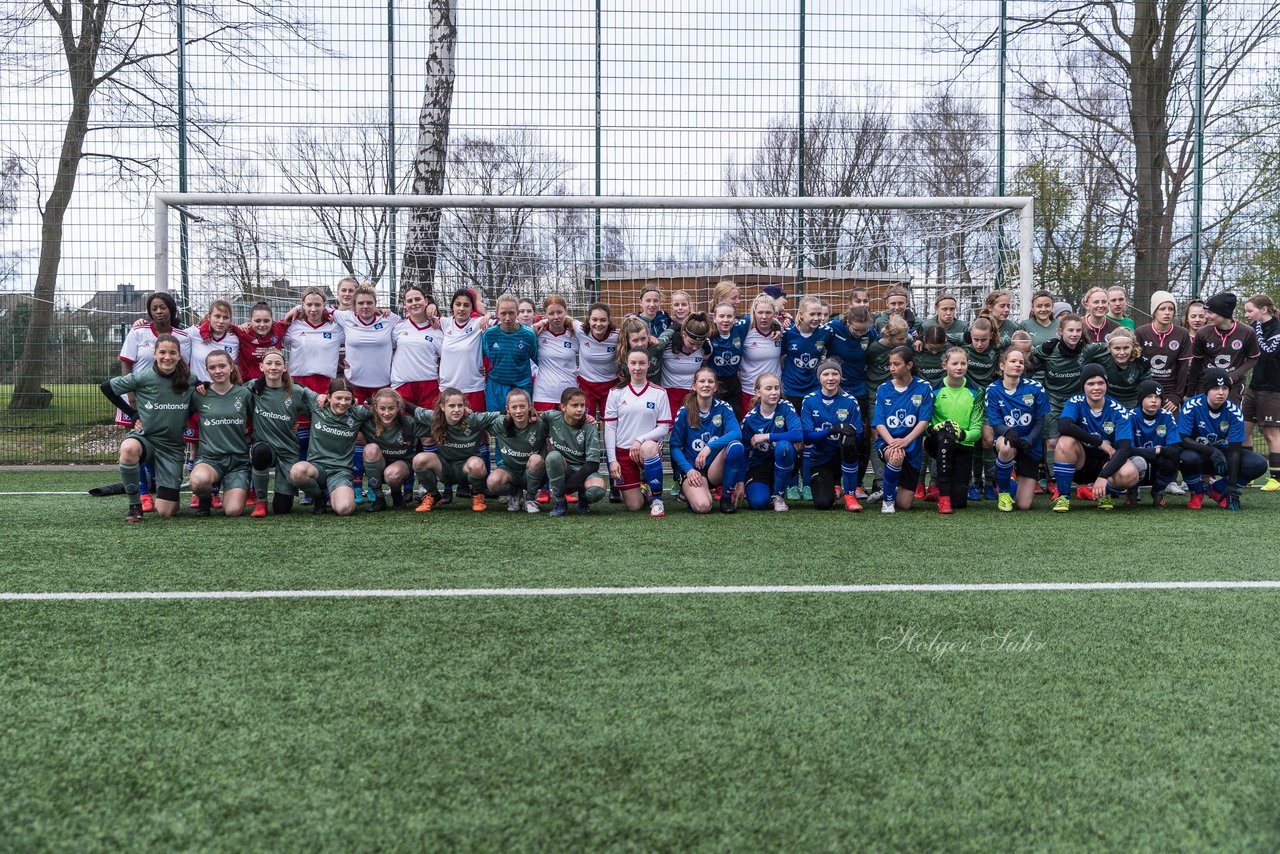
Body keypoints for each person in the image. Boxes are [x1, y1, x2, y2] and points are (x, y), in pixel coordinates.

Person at [100, 333, 194, 522]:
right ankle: (134, 506)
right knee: (128, 448)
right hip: (146, 439)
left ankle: (159, 486)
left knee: (167, 511)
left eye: (172, 353)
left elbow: (202, 397)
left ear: (179, 355)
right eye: (163, 352)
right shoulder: (143, 377)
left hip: (172, 448)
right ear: (155, 354)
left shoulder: (190, 379)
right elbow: (107, 387)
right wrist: (132, 413)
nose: (167, 357)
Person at [118, 292, 192, 511]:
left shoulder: (182, 335)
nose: (159, 311)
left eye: (163, 307)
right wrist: (132, 400)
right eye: (154, 308)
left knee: (159, 443)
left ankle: (159, 486)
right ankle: (142, 494)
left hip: (166, 401)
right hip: (137, 399)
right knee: (134, 445)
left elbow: (185, 367)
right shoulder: (138, 331)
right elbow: (126, 363)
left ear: (171, 309)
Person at [1177, 368, 1268, 511]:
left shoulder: (1234, 411)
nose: (1221, 392)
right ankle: (1197, 492)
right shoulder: (1191, 405)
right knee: (1185, 457)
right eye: (1215, 388)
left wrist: (1231, 485)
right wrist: (1211, 450)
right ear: (1206, 390)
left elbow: (1235, 450)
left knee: (1258, 463)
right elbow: (1183, 439)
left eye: (1224, 388)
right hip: (1198, 453)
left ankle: (1218, 489)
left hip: (1222, 456)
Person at [409, 388, 506, 513]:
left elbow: (499, 414)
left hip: (466, 468)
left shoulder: (474, 419)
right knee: (419, 459)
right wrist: (395, 402)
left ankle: (477, 495)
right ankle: (433, 495)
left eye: (460, 405)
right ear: (443, 407)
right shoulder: (435, 418)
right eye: (452, 406)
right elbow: (413, 410)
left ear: (465, 406)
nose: (456, 409)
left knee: (477, 464)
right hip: (444, 468)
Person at [1050, 364, 1131, 512]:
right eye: (1090, 384)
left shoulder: (1118, 410)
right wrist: (1099, 443)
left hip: (1107, 464)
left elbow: (1125, 449)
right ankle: (1063, 496)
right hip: (1081, 462)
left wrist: (1103, 476)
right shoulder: (1076, 401)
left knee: (1129, 473)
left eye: (1101, 383)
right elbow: (1064, 426)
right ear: (1083, 386)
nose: (1096, 388)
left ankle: (1105, 493)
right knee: (1065, 441)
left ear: (1106, 385)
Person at [183, 299, 239, 507]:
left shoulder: (234, 337)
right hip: (200, 395)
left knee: (221, 443)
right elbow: (172, 338)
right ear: (209, 316)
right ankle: (199, 492)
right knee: (196, 447)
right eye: (217, 316)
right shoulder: (193, 333)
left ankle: (218, 489)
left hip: (225, 396)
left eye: (226, 317)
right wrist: (142, 323)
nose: (221, 321)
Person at [604, 349, 673, 516]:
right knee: (634, 506)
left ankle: (657, 500)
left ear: (649, 364)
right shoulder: (616, 392)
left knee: (649, 447)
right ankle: (644, 489)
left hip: (645, 450)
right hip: (623, 452)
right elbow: (609, 428)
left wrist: (640, 440)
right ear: (627, 365)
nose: (637, 367)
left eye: (642, 363)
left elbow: (664, 428)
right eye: (633, 363)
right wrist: (612, 461)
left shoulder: (659, 393)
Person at [288, 377, 370, 516]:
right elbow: (294, 383)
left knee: (345, 509)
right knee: (297, 471)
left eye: (347, 399)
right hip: (316, 468)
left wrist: (369, 402)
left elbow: (382, 406)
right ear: (329, 397)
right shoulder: (317, 404)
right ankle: (319, 496)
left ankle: (336, 494)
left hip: (340, 471)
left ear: (353, 400)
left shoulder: (357, 413)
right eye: (338, 398)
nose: (343, 403)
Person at [187, 351, 254, 517]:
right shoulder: (199, 395)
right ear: (207, 371)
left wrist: (249, 437)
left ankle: (231, 490)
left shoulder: (244, 394)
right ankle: (205, 501)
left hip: (238, 461)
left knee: (233, 511)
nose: (218, 371)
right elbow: (180, 416)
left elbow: (258, 421)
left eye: (222, 366)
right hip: (210, 459)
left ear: (231, 367)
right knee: (198, 480)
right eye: (212, 367)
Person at [671, 366, 745, 513]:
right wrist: (689, 470)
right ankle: (690, 491)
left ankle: (725, 497)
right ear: (694, 386)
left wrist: (709, 447)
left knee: (736, 446)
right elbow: (674, 447)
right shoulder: (685, 411)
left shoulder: (723, 407)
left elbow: (737, 433)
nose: (706, 385)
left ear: (715, 386)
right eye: (702, 381)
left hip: (714, 468)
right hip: (692, 468)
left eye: (710, 382)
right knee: (704, 506)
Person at [246, 349, 310, 518]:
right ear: (261, 366)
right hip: (265, 447)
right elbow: (232, 394)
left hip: (288, 451)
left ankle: (320, 496)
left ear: (285, 367)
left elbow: (318, 407)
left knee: (282, 508)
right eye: (269, 363)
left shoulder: (297, 392)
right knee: (260, 451)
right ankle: (261, 501)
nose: (273, 367)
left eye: (277, 363)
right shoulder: (253, 388)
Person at [984, 348, 1049, 512]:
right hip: (1008, 439)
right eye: (1013, 361)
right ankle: (1004, 492)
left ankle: (1006, 478)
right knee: (1006, 447)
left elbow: (1041, 421)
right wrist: (1007, 431)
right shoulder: (992, 390)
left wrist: (1030, 440)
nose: (1018, 365)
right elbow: (995, 423)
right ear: (1002, 365)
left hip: (1030, 443)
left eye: (1021, 362)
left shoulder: (1035, 388)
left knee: (1023, 505)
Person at [1030, 313, 1087, 498]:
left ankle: (1081, 480)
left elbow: (1110, 350)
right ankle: (1053, 481)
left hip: (1076, 401)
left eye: (1078, 330)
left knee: (1075, 440)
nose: (1075, 334)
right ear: (1060, 331)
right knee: (1052, 441)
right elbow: (1029, 362)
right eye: (1070, 330)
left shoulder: (1088, 350)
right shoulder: (1048, 349)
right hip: (1052, 399)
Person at [872, 346, 934, 514]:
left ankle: (888, 489)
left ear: (909, 365)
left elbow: (924, 420)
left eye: (896, 364)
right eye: (890, 364)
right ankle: (888, 501)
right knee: (896, 455)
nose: (891, 368)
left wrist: (906, 441)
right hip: (888, 442)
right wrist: (892, 443)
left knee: (905, 505)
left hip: (912, 446)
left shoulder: (923, 388)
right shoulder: (883, 389)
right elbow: (879, 423)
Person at [926, 346, 984, 514]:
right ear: (945, 365)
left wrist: (963, 433)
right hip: (936, 441)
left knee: (959, 502)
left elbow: (977, 429)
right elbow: (924, 423)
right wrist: (934, 429)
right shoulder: (932, 389)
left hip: (964, 443)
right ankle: (943, 498)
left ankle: (944, 492)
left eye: (963, 363)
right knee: (946, 435)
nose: (959, 367)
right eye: (954, 363)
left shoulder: (977, 391)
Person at [800, 360, 862, 511]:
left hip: (842, 455)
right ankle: (833, 488)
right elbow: (808, 436)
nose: (830, 378)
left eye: (835, 374)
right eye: (825, 374)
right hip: (821, 457)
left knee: (849, 441)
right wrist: (833, 430)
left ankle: (850, 495)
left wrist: (848, 434)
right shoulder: (809, 401)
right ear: (819, 377)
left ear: (840, 377)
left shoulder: (850, 401)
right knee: (823, 504)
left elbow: (859, 435)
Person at [1113, 379, 1182, 506]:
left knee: (1172, 461)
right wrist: (1157, 450)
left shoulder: (1167, 415)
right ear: (1141, 399)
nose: (1154, 400)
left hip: (1158, 462)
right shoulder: (1130, 416)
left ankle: (1157, 492)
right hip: (1137, 463)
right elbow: (1126, 449)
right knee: (1138, 461)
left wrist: (1159, 451)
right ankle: (1132, 491)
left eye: (1157, 397)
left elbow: (1175, 448)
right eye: (1149, 396)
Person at [741, 371, 802, 511]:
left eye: (776, 388)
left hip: (785, 459)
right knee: (758, 503)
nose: (774, 392)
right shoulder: (750, 419)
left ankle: (778, 495)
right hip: (760, 466)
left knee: (784, 446)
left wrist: (767, 436)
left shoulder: (786, 406)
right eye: (768, 389)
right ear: (758, 392)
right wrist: (739, 482)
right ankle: (768, 489)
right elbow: (744, 452)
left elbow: (798, 434)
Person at [541, 387, 607, 516]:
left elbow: (593, 464)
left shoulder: (589, 424)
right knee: (553, 457)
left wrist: (569, 486)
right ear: (563, 407)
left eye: (582, 405)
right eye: (574, 405)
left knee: (596, 491)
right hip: (563, 468)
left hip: (584, 470)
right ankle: (560, 502)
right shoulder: (551, 417)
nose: (579, 409)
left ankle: (584, 499)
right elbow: (533, 415)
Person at [1186, 292, 1260, 406]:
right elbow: (1196, 364)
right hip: (1206, 385)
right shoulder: (1202, 333)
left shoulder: (1247, 332)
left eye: (1210, 312)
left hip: (1233, 386)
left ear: (1223, 313)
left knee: (1230, 420)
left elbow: (1253, 358)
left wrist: (1233, 376)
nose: (1206, 316)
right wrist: (1190, 393)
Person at [485, 388, 548, 513]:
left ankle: (530, 499)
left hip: (534, 472)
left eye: (522, 406)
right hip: (510, 471)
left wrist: (587, 418)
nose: (518, 411)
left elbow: (563, 420)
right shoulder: (500, 423)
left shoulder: (541, 423)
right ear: (507, 409)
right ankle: (515, 494)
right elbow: (475, 420)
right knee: (492, 482)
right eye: (514, 407)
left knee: (536, 459)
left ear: (529, 407)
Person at [360, 387, 420, 512]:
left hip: (401, 467)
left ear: (398, 408)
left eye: (391, 408)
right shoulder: (366, 421)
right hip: (377, 464)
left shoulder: (410, 423)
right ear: (375, 407)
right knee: (370, 449)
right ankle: (379, 498)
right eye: (382, 408)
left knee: (392, 475)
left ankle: (397, 495)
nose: (386, 413)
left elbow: (434, 419)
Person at [1244, 294, 1280, 491]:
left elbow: (1266, 353)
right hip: (1254, 387)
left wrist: (1255, 331)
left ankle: (1276, 478)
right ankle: (1248, 473)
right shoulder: (1257, 328)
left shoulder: (1276, 329)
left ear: (1264, 309)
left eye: (1250, 311)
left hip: (1273, 389)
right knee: (1243, 429)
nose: (1247, 315)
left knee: (1270, 433)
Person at [1135, 290, 1192, 412]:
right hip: (1146, 388)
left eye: (1171, 309)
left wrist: (1177, 396)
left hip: (1170, 391)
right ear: (1154, 311)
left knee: (1171, 426)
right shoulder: (1141, 332)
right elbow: (1136, 366)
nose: (1167, 313)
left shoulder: (1182, 333)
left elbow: (1183, 368)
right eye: (1162, 309)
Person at [483, 293, 540, 412]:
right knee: (496, 425)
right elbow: (483, 358)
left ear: (517, 312)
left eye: (511, 313)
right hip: (496, 387)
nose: (507, 318)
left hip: (521, 387)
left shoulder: (528, 335)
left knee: (520, 426)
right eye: (503, 313)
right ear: (497, 313)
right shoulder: (489, 335)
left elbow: (538, 360)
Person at [437, 288, 491, 412]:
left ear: (472, 308)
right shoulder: (444, 323)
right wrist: (432, 306)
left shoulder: (479, 323)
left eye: (466, 305)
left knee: (473, 428)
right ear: (452, 307)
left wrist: (489, 315)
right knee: (448, 429)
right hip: (448, 389)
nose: (461, 308)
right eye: (458, 304)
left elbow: (506, 318)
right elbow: (422, 316)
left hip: (473, 388)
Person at [390, 285, 442, 411]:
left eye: (417, 299)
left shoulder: (438, 328)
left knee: (429, 427)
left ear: (426, 301)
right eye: (410, 301)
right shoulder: (397, 327)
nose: (414, 303)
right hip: (402, 384)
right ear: (405, 305)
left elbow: (448, 358)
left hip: (429, 385)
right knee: (404, 427)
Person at [735, 293, 784, 414]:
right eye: (760, 312)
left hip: (774, 392)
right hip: (750, 391)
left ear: (775, 314)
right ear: (754, 313)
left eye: (768, 313)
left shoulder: (780, 331)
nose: (764, 316)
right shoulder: (745, 331)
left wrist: (778, 327)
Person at [1081, 327, 1151, 409]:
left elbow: (1147, 388)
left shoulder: (1142, 362)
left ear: (1132, 346)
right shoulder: (1098, 353)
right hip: (1105, 399)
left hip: (1132, 401)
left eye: (1126, 348)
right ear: (1109, 348)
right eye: (1117, 348)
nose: (1122, 353)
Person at [532, 294, 579, 413]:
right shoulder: (537, 332)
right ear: (545, 313)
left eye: (559, 312)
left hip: (569, 394)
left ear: (566, 311)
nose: (556, 317)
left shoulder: (575, 334)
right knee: (543, 431)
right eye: (551, 313)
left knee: (568, 431)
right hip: (543, 394)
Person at [573, 302, 619, 421]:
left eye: (603, 320)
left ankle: (608, 441)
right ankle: (589, 440)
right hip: (587, 385)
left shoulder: (617, 336)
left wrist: (650, 337)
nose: (598, 324)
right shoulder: (580, 331)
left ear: (609, 321)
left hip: (611, 385)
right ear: (589, 320)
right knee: (586, 421)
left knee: (610, 422)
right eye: (594, 319)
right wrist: (542, 321)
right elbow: (565, 318)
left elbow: (636, 334)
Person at [230, 301, 289, 381]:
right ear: (250, 321)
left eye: (266, 321)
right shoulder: (243, 332)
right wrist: (206, 331)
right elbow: (218, 324)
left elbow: (301, 313)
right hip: (248, 384)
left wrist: (297, 308)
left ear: (272, 320)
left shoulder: (278, 330)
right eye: (257, 321)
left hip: (273, 383)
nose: (262, 325)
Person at [709, 301, 745, 417]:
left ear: (734, 318)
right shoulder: (708, 335)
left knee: (735, 414)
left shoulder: (739, 330)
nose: (726, 320)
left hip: (734, 381)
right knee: (716, 416)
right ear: (714, 318)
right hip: (716, 382)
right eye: (721, 316)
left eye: (729, 316)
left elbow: (757, 317)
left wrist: (776, 326)